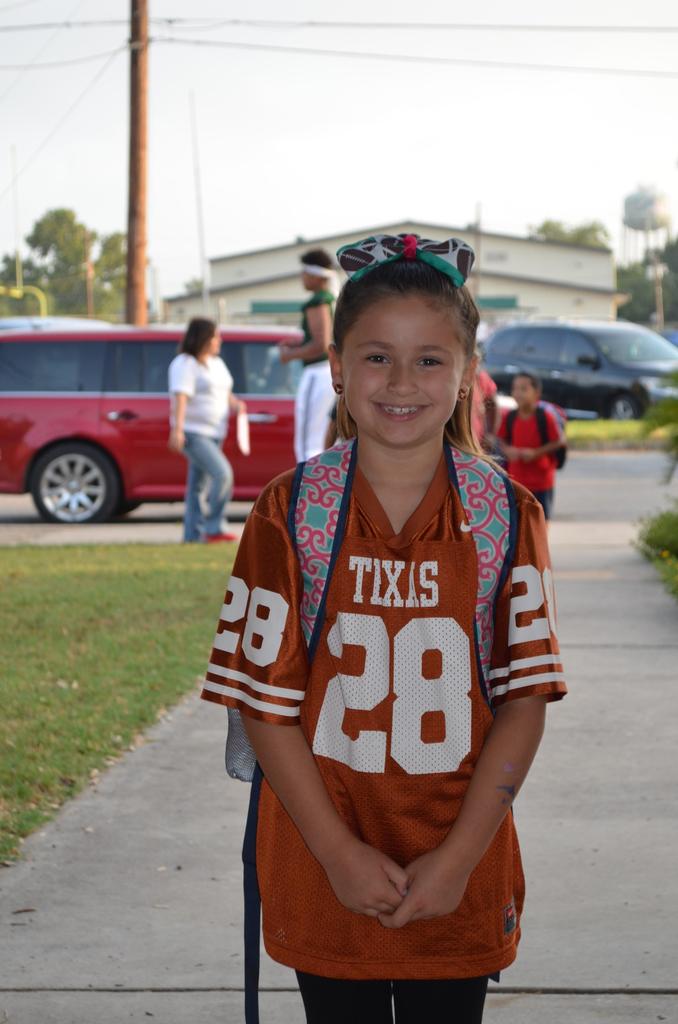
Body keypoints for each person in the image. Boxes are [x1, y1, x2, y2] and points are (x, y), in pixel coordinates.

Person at [201, 234, 566, 1024]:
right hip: (320, 862)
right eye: (376, 358)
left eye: (430, 360)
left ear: (469, 372)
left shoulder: (506, 514)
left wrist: (458, 859)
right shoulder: (290, 510)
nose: (402, 382)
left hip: (459, 868)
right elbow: (264, 706)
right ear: (336, 366)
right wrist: (337, 854)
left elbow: (524, 702)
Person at [167, 317, 246, 543]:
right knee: (222, 474)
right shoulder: (185, 363)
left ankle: (192, 536)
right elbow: (181, 397)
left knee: (197, 487)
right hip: (194, 432)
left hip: (215, 432)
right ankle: (214, 528)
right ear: (203, 338)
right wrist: (178, 430)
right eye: (215, 337)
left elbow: (223, 391)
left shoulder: (216, 363)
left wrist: (235, 403)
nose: (219, 341)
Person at [279, 248, 337, 461]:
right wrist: (298, 345)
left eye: (304, 272)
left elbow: (321, 345)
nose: (302, 278)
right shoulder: (331, 298)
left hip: (318, 372)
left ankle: (308, 487)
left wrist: (290, 355)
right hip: (328, 372)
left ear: (315, 275)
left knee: (308, 441)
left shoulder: (318, 300)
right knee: (322, 436)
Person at [496, 372, 565, 522]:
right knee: (519, 522)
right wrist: (508, 450)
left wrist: (536, 453)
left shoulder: (545, 417)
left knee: (540, 521)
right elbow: (501, 440)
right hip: (517, 480)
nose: (518, 393)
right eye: (515, 388)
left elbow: (558, 441)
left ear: (536, 393)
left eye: (523, 389)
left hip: (541, 481)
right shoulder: (510, 417)